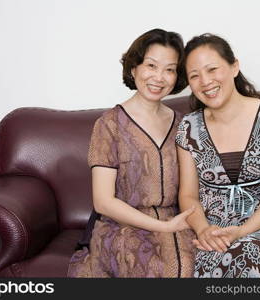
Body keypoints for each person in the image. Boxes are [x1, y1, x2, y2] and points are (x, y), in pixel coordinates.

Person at [67, 28, 196, 278]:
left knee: (200, 264)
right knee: (162, 270)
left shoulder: (184, 124)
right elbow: (103, 201)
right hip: (121, 226)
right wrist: (161, 226)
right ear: (134, 68)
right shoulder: (109, 124)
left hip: (177, 222)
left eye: (169, 69)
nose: (159, 77)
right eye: (151, 65)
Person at [176, 33, 260, 278]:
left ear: (234, 67)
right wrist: (204, 231)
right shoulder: (189, 128)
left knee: (244, 255)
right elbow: (188, 195)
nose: (205, 81)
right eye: (195, 76)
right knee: (206, 260)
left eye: (212, 69)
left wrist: (239, 232)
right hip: (211, 231)